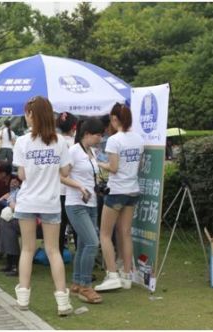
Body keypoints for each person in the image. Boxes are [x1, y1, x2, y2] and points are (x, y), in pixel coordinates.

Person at [12, 96, 73, 316]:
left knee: (27, 249)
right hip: (51, 202)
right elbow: (65, 172)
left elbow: (21, 174)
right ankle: (63, 302)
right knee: (53, 250)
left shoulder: (21, 141)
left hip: (27, 200)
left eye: (28, 113)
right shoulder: (60, 141)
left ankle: (23, 298)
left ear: (32, 115)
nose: (26, 117)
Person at [95, 103, 144, 291]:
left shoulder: (114, 141)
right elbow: (137, 167)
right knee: (125, 233)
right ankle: (127, 274)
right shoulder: (138, 139)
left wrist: (99, 163)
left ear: (115, 119)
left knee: (104, 234)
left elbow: (113, 168)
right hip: (133, 190)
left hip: (117, 192)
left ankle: (112, 274)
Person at [61, 118, 105, 304]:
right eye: (98, 135)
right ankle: (86, 286)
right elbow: (62, 176)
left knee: (83, 245)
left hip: (91, 203)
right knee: (92, 243)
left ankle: (78, 282)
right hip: (76, 204)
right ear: (87, 134)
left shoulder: (91, 152)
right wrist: (79, 187)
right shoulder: (73, 151)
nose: (100, 138)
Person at [55, 112, 78, 253]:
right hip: (72, 189)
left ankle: (57, 256)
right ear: (74, 127)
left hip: (57, 190)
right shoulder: (75, 145)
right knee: (76, 226)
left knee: (59, 226)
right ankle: (80, 258)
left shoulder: (54, 142)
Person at [0, 175, 22, 276]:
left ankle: (14, 264)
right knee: (2, 221)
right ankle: (10, 262)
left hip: (30, 220)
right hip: (20, 218)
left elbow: (16, 208)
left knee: (7, 225)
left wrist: (11, 204)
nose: (13, 184)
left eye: (16, 182)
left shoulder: (22, 191)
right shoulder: (14, 192)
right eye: (12, 182)